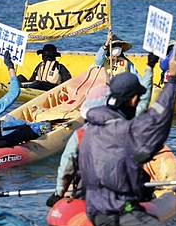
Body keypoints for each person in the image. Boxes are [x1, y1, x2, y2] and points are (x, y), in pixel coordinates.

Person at [51, 50, 176, 226]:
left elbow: (66, 166)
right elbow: (159, 117)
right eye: (137, 98)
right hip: (122, 211)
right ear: (132, 100)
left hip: (94, 209)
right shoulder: (126, 132)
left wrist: (58, 193)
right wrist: (172, 79)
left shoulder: (86, 131)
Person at [48, 52, 160, 207]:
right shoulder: (127, 126)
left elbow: (67, 163)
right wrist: (149, 68)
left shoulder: (81, 133)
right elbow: (143, 102)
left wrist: (58, 193)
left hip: (87, 192)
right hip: (120, 197)